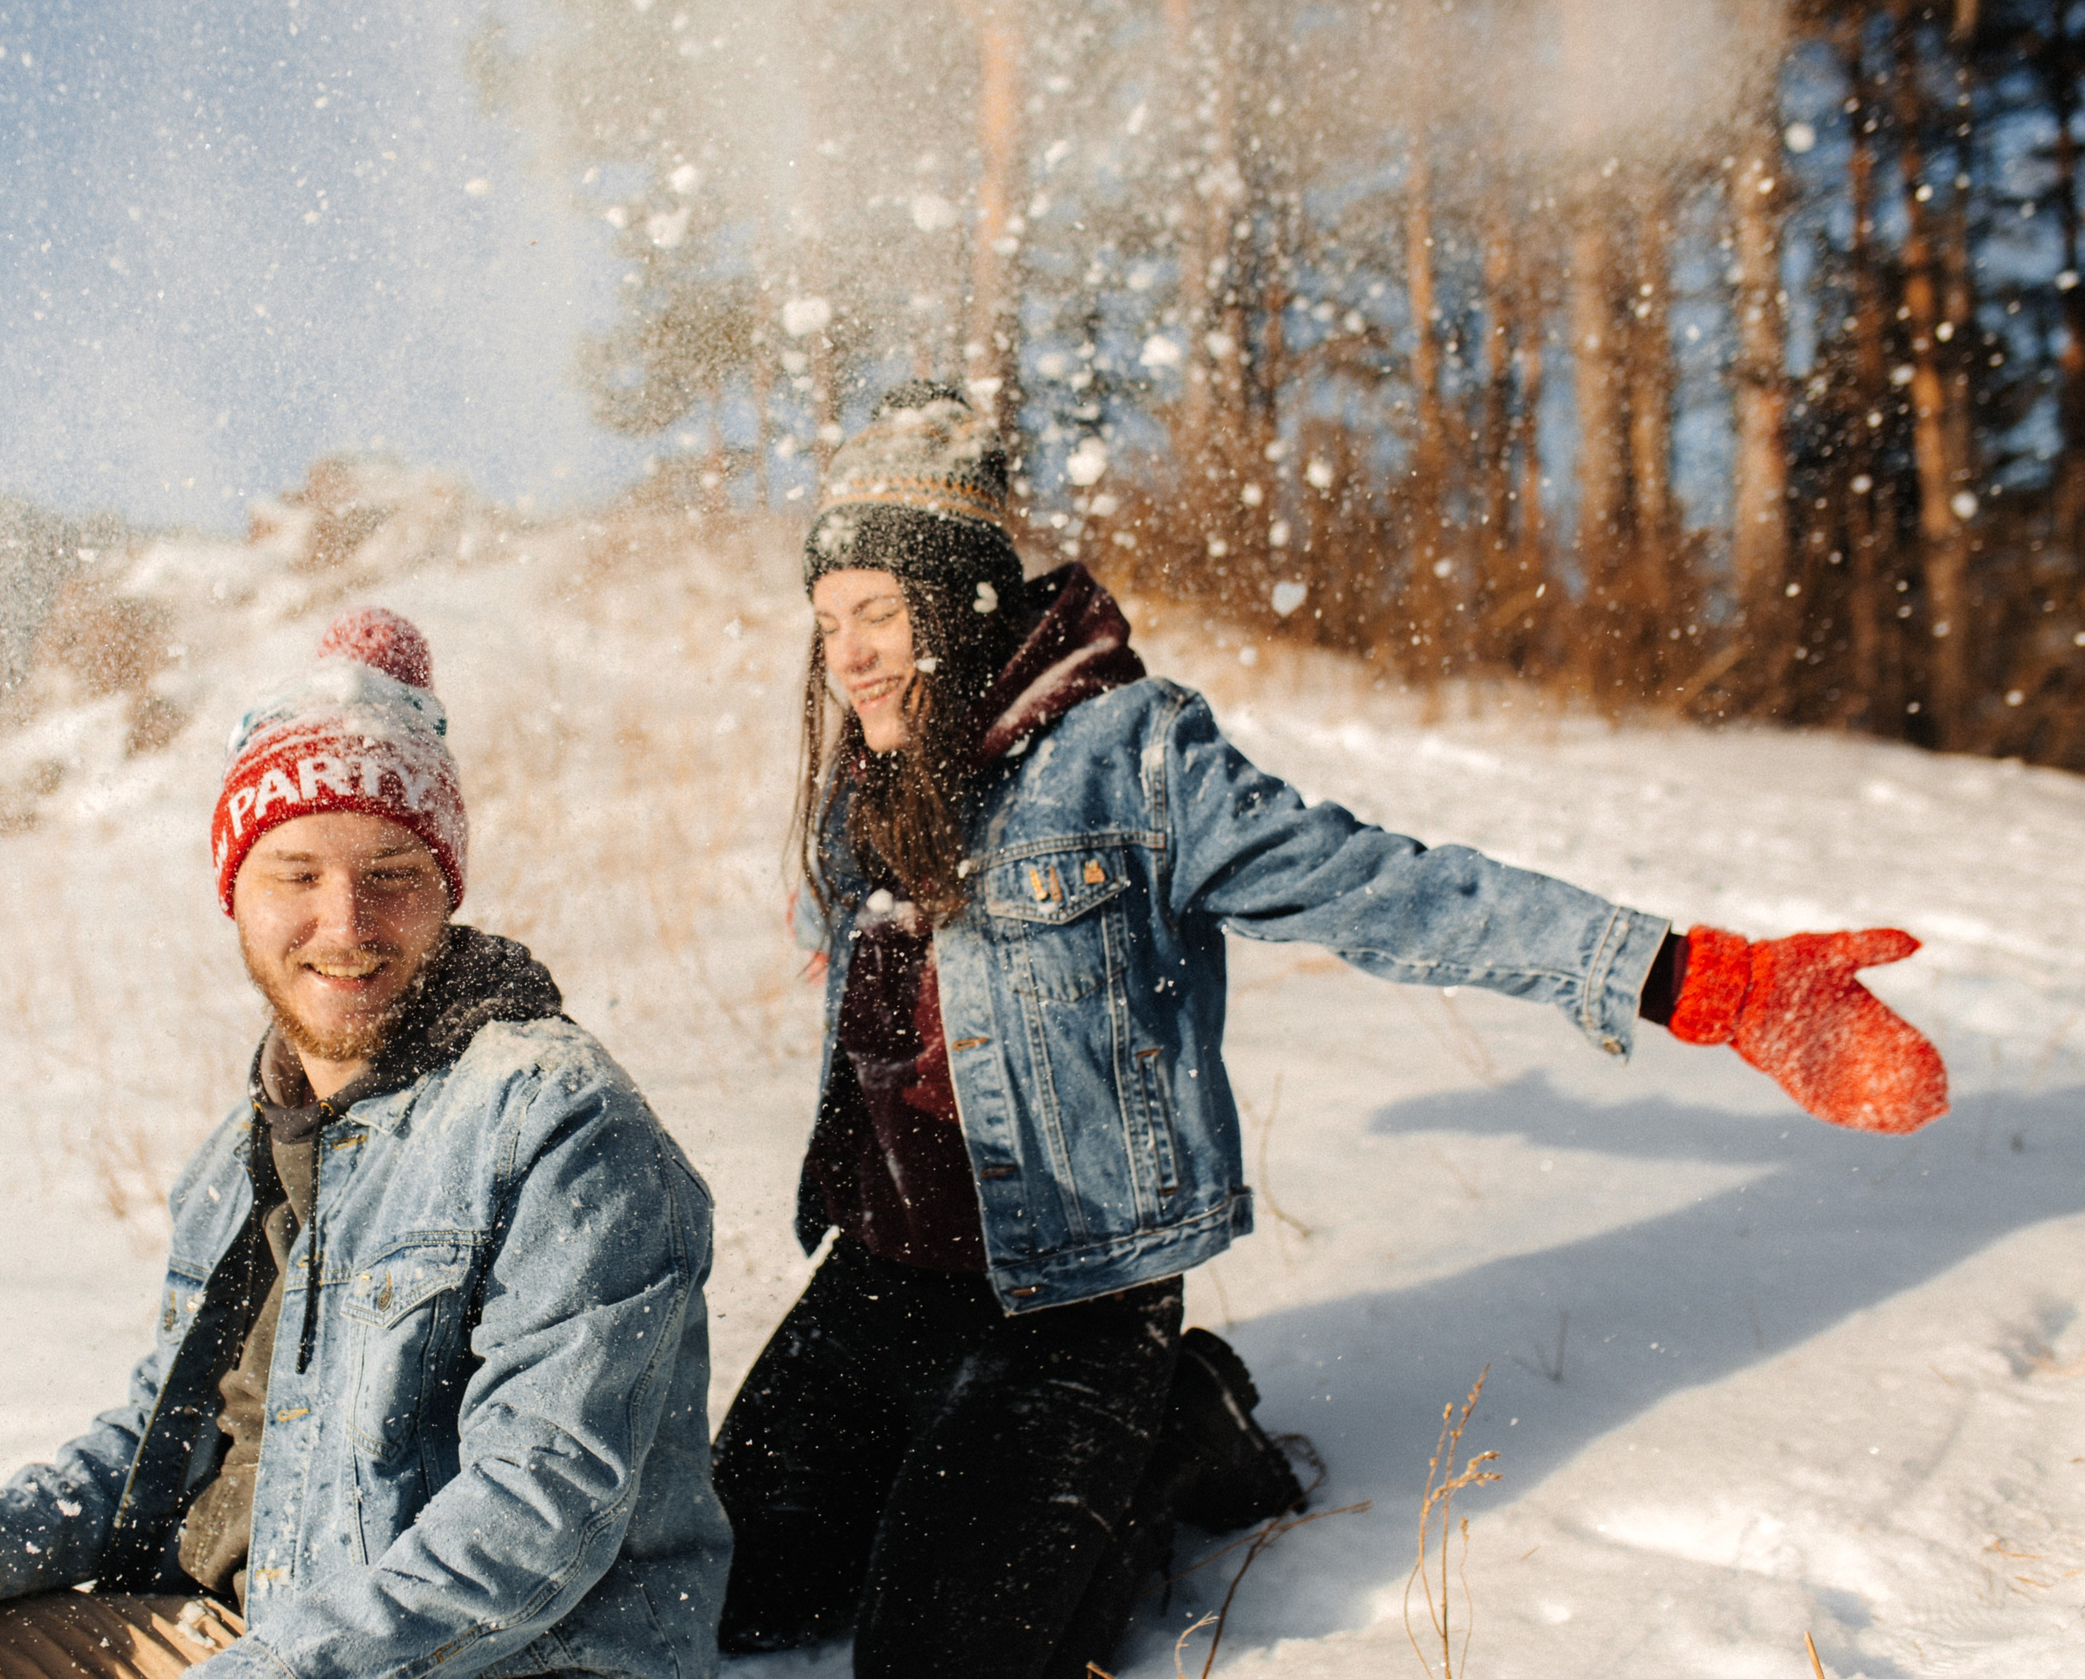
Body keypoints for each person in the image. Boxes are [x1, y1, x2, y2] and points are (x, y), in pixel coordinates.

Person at [709, 382, 1950, 1679]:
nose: (846, 655)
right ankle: (957, 1453)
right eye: (828, 621)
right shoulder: (873, 778)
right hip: (888, 1273)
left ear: (961, 605)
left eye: (878, 615)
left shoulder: (1129, 753)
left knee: (940, 1662)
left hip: (1072, 1293)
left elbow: (1379, 885)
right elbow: (858, 927)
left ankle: (1179, 1420)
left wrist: (1688, 975)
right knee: (734, 1590)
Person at [0, 608, 731, 1679]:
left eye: (390, 872)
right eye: (296, 875)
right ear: (235, 897)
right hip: (251, 1637)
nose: (345, 922)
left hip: (491, 1665)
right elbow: (154, 1442)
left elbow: (541, 1515)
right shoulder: (244, 1154)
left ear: (447, 889)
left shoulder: (559, 1126)